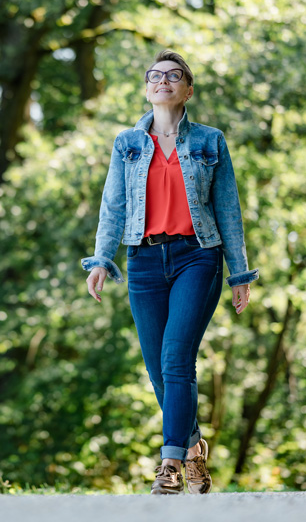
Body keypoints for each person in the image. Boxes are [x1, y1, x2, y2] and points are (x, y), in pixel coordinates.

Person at [81, 50, 258, 495]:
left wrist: (238, 273)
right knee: (159, 369)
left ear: (188, 89)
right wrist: (103, 258)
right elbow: (114, 205)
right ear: (146, 88)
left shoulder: (209, 141)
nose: (163, 81)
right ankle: (194, 447)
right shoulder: (128, 143)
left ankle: (170, 464)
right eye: (154, 76)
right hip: (143, 260)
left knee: (177, 358)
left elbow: (228, 210)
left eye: (173, 76)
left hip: (197, 257)